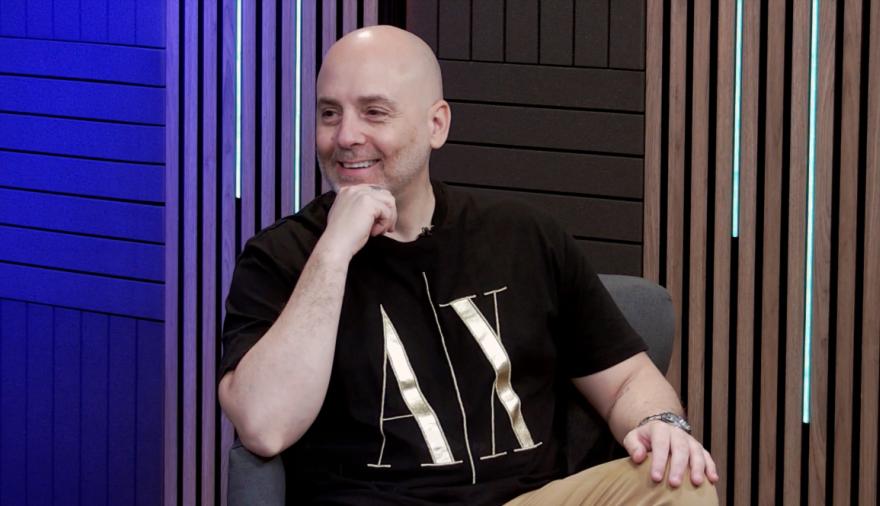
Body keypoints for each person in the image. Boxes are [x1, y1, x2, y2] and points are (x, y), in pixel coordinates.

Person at [218, 25, 719, 505]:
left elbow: (628, 380)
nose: (346, 135)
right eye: (330, 113)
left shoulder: (522, 236)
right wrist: (333, 250)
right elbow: (263, 427)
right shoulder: (282, 256)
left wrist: (661, 424)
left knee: (681, 483)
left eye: (374, 112)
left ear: (436, 125)